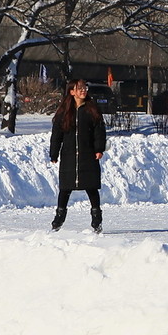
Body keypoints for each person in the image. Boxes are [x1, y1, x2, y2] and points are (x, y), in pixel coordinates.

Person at [49, 79, 107, 233]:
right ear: (72, 91)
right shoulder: (64, 112)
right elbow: (57, 135)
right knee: (65, 188)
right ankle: (58, 220)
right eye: (79, 88)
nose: (83, 90)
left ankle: (97, 220)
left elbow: (99, 132)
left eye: (84, 88)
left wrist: (99, 149)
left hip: (88, 154)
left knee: (91, 187)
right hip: (69, 155)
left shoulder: (92, 109)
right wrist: (54, 153)